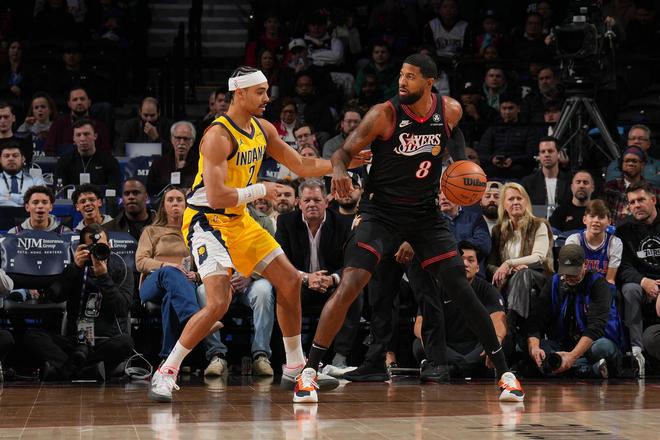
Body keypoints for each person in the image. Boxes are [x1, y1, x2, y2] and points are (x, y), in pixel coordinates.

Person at [295, 54, 524, 404]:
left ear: (429, 82)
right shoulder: (383, 114)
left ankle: (505, 374)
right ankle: (309, 371)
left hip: (424, 215)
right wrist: (339, 171)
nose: (402, 81)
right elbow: (342, 153)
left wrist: (461, 165)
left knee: (460, 287)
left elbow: (455, 137)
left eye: (410, 76)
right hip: (381, 212)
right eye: (401, 75)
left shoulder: (449, 110)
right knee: (352, 281)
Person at [148, 66, 364, 402]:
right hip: (207, 221)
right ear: (240, 93)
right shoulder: (218, 136)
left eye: (266, 91)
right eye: (260, 92)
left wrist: (342, 164)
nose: (267, 98)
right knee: (219, 302)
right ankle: (166, 371)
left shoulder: (263, 128)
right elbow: (216, 196)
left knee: (289, 281)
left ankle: (295, 367)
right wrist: (261, 189)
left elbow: (302, 165)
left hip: (238, 218)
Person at [22, 224, 134, 381]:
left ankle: (66, 370)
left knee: (126, 343)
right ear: (81, 248)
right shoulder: (75, 269)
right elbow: (55, 296)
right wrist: (74, 268)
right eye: (90, 248)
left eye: (100, 246)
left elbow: (122, 309)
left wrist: (103, 277)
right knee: (32, 336)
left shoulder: (122, 270)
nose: (95, 252)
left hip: (104, 342)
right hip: (74, 341)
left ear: (109, 246)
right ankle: (87, 371)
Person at [136, 186, 226, 376]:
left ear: (187, 205)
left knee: (171, 297)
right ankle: (196, 319)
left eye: (179, 200)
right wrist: (167, 266)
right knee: (171, 272)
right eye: (170, 200)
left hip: (184, 285)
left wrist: (198, 276)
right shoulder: (151, 231)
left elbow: (207, 262)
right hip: (154, 282)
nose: (175, 204)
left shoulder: (195, 231)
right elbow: (141, 262)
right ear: (163, 206)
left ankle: (168, 359)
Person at [276, 179, 360, 370]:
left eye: (317, 200)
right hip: (299, 284)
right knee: (282, 291)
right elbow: (281, 263)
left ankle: (340, 357)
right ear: (299, 203)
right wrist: (306, 277)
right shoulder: (286, 222)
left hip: (331, 285)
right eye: (307, 200)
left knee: (354, 291)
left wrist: (332, 279)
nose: (312, 204)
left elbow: (350, 263)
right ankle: (293, 357)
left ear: (326, 202)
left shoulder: (343, 223)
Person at [526, 244, 625, 378]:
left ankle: (572, 368)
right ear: (558, 264)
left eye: (574, 273)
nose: (570, 277)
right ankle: (588, 370)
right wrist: (534, 348)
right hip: (563, 344)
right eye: (566, 273)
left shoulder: (598, 284)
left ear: (585, 265)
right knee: (534, 347)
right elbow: (536, 319)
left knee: (602, 348)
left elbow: (596, 327)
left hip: (592, 343)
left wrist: (572, 356)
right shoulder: (554, 282)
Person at [414, 242, 506, 378]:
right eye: (461, 259)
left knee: (503, 341)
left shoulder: (487, 289)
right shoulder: (437, 288)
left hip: (476, 346)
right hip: (446, 346)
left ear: (477, 267)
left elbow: (499, 318)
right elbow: (419, 323)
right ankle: (468, 368)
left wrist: (496, 340)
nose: (465, 264)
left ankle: (450, 369)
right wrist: (427, 340)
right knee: (419, 343)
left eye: (470, 260)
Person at [487, 182, 553, 327]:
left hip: (537, 277)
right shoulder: (498, 230)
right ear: (504, 205)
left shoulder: (539, 224)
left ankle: (510, 324)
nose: (516, 202)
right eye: (511, 199)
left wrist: (509, 263)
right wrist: (509, 270)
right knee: (519, 275)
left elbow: (539, 257)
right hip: (509, 279)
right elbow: (490, 264)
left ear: (526, 202)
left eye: (519, 198)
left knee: (523, 273)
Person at [616, 181, 660, 378]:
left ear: (653, 200)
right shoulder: (624, 230)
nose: (636, 205)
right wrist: (644, 281)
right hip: (643, 285)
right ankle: (637, 352)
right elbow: (623, 267)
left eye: (641, 200)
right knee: (630, 289)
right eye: (632, 202)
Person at [477, 93, 538, 180]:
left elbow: (532, 154)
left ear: (518, 109)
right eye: (504, 108)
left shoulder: (528, 129)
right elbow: (482, 152)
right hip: (493, 170)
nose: (507, 112)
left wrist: (513, 160)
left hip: (520, 170)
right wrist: (492, 159)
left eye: (510, 108)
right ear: (500, 109)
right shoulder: (492, 129)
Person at [54, 119, 121, 191]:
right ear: (74, 138)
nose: (82, 139)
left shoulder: (110, 162)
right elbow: (60, 192)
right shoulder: (63, 162)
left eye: (86, 134)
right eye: (78, 135)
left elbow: (114, 191)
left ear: (95, 136)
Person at [566, 199, 622, 285]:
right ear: (584, 220)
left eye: (601, 217)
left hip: (603, 287)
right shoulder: (574, 240)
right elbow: (571, 276)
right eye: (592, 216)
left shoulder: (615, 243)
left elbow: (610, 279)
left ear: (609, 222)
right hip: (578, 286)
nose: (596, 220)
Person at [45, 87, 111, 156]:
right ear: (69, 104)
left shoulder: (100, 126)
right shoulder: (57, 125)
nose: (79, 102)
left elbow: (106, 152)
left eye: (82, 99)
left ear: (89, 102)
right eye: (75, 100)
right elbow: (49, 150)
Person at [605, 146, 660, 224]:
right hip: (615, 229)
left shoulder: (653, 190)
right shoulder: (610, 187)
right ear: (621, 164)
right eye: (627, 161)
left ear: (642, 165)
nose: (630, 164)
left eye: (634, 161)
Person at [147, 121, 199, 196]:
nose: (182, 142)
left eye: (186, 139)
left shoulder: (199, 163)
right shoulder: (159, 163)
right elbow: (150, 189)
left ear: (192, 141)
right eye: (178, 138)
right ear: (172, 139)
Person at [521, 136, 571, 214]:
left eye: (550, 151)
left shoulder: (570, 181)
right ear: (539, 155)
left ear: (558, 154)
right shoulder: (528, 182)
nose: (546, 155)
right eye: (543, 152)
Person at [0, 141, 45, 207]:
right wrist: (25, 199)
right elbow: (32, 201)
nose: (11, 158)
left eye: (15, 156)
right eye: (6, 156)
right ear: (0, 160)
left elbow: (41, 201)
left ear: (23, 159)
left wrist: (11, 197)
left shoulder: (36, 181)